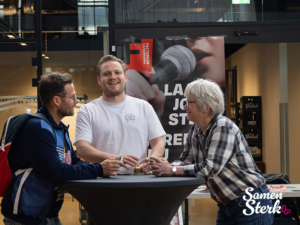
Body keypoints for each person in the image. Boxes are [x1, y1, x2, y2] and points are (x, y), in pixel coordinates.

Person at [1, 72, 123, 225]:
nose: (76, 101)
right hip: (27, 218)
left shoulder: (59, 128)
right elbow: (57, 170)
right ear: (57, 100)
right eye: (72, 97)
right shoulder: (38, 128)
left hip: (46, 215)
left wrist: (104, 166)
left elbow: (73, 160)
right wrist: (99, 169)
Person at [149, 79, 273, 225]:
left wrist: (172, 170)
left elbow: (210, 168)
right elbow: (185, 160)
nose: (185, 106)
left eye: (189, 102)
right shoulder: (195, 129)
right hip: (227, 204)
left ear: (205, 107)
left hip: (249, 202)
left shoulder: (223, 127)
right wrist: (162, 167)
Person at [74, 55, 166, 174]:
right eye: (107, 74)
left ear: (125, 77)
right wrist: (117, 158)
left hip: (138, 179)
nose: (113, 77)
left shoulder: (143, 107)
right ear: (98, 80)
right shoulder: (87, 110)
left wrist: (151, 160)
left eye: (117, 72)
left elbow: (158, 142)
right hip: (103, 180)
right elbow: (82, 150)